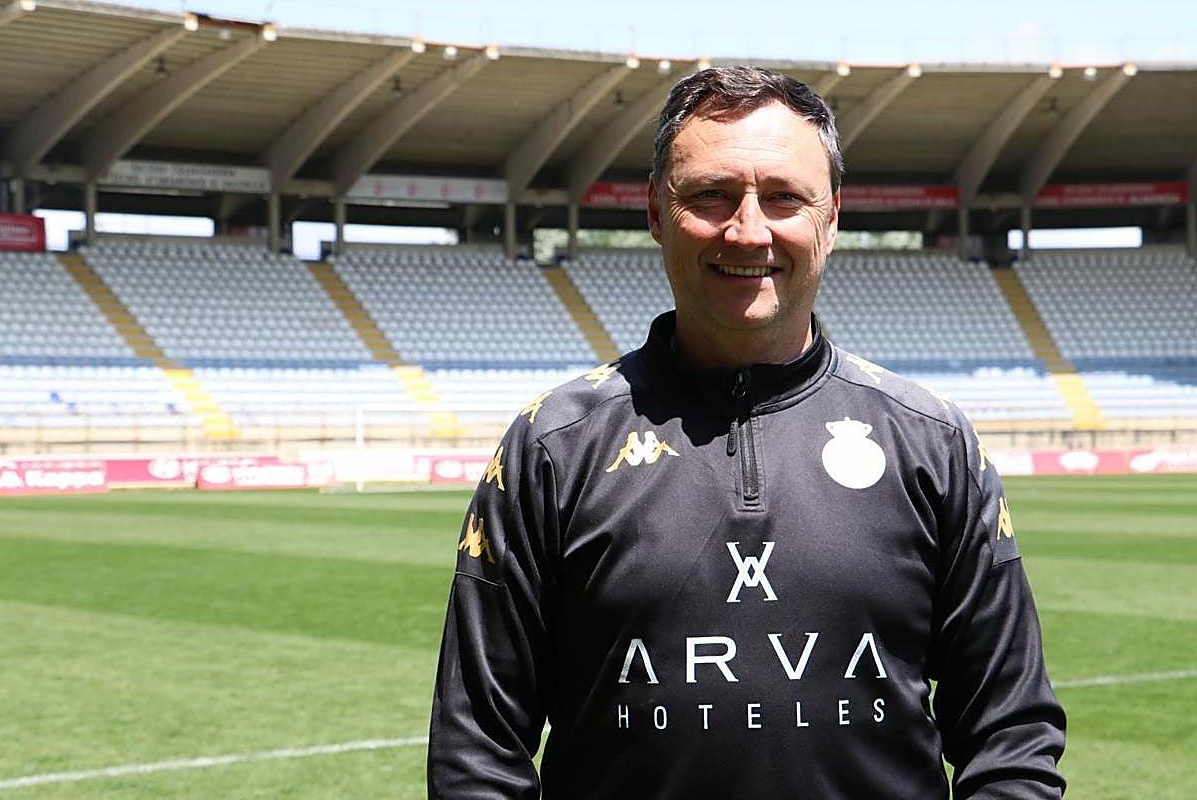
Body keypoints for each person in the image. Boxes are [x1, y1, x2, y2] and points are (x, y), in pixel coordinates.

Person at [428, 65, 1066, 798]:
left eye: (785, 197)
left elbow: (1011, 739)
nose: (748, 229)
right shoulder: (552, 448)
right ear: (657, 215)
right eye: (711, 195)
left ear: (830, 220)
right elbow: (476, 759)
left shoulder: (932, 444)